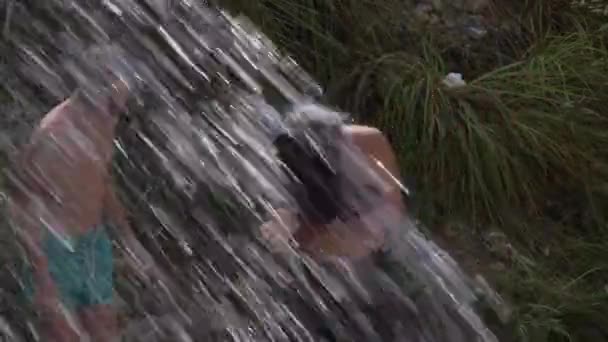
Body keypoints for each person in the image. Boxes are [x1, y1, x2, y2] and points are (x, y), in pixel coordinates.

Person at [6, 44, 158, 342]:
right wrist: (44, 279)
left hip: (92, 244)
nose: (121, 113)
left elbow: (101, 179)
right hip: (53, 252)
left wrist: (128, 238)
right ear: (95, 87)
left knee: (107, 334)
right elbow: (22, 207)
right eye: (116, 106)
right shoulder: (56, 135)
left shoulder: (103, 120)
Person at [259, 105, 416, 340]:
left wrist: (354, 240)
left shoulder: (365, 142)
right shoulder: (289, 177)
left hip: (385, 248)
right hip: (334, 251)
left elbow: (393, 210)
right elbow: (299, 234)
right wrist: (291, 236)